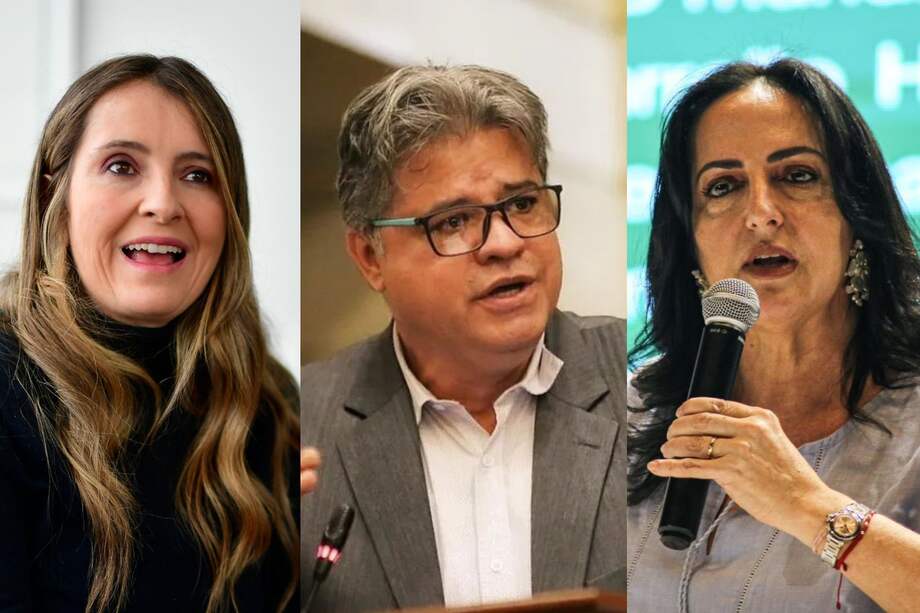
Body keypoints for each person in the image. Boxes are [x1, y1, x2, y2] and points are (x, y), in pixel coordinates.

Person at [301, 64, 627, 612]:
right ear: (369, 258)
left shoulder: (650, 383)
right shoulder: (299, 427)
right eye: (453, 221)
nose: (503, 243)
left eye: (523, 204)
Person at [0, 55, 299, 612]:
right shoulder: (7, 391)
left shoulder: (270, 401)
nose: (163, 203)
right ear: (55, 200)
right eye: (121, 166)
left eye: (197, 175)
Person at [626, 58, 920, 612]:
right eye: (723, 186)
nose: (761, 214)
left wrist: (805, 504)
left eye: (798, 176)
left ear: (858, 218)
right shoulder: (627, 418)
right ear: (691, 244)